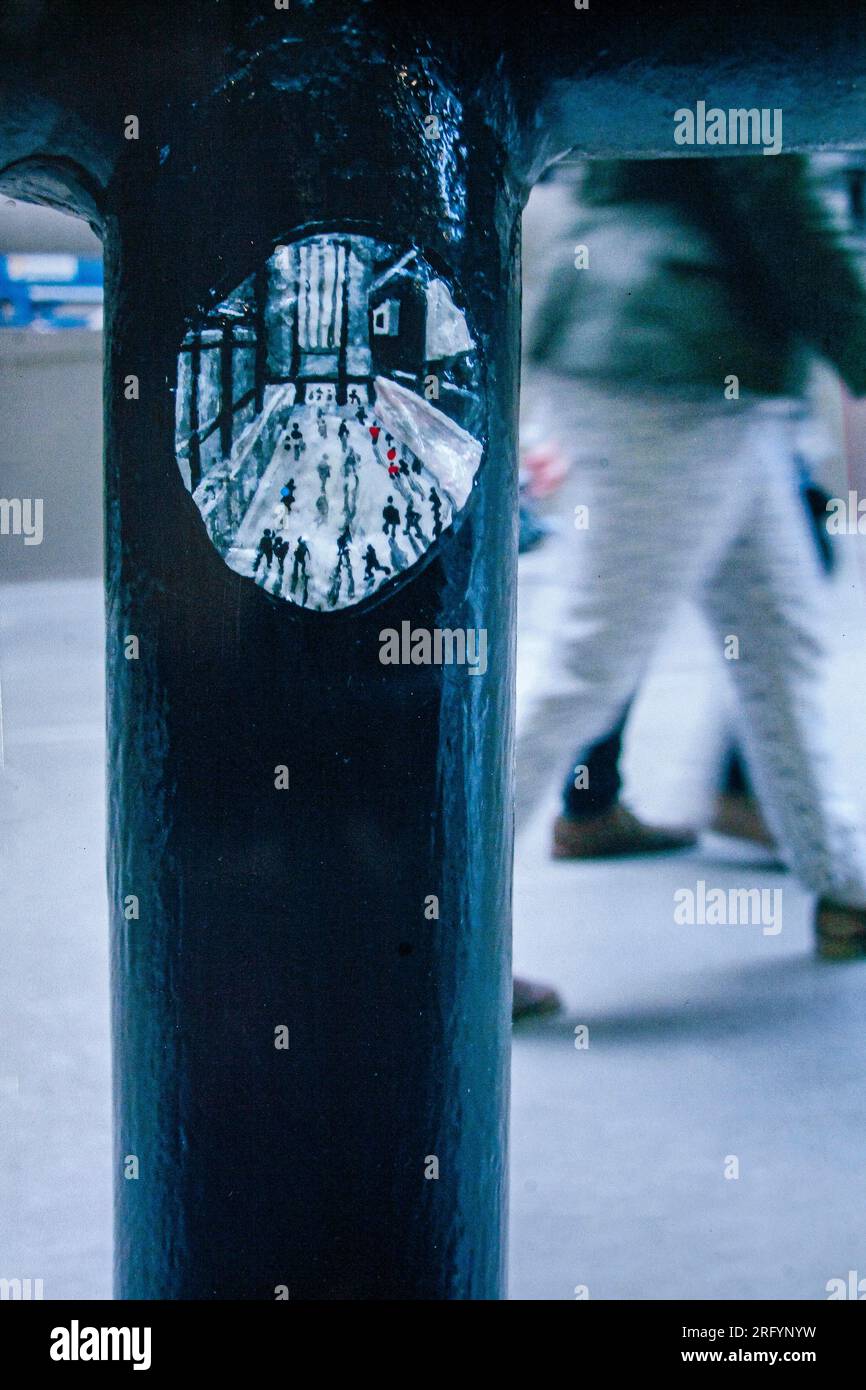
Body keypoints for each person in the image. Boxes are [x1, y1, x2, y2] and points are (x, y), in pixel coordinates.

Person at [523, 155, 866, 963]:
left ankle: (844, 881)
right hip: (674, 363)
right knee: (588, 661)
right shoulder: (759, 42)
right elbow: (783, 198)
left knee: (779, 638)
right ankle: (443, 936)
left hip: (683, 357)